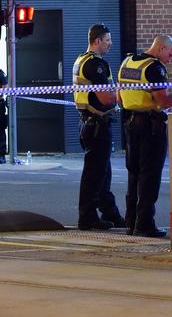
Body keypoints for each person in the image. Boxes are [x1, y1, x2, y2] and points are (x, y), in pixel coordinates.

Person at [118, 35, 172, 238]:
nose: (170, 59)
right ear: (161, 48)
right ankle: (144, 224)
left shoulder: (127, 62)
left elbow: (119, 97)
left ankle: (131, 222)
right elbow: (163, 102)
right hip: (151, 126)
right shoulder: (155, 68)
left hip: (129, 123)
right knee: (149, 176)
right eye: (170, 54)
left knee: (133, 173)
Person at [72, 24, 125, 231]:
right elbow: (104, 97)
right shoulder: (96, 65)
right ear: (97, 41)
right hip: (96, 124)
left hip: (89, 122)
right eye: (108, 40)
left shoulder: (81, 60)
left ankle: (110, 213)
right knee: (95, 175)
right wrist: (124, 93)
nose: (110, 43)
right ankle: (87, 217)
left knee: (102, 173)